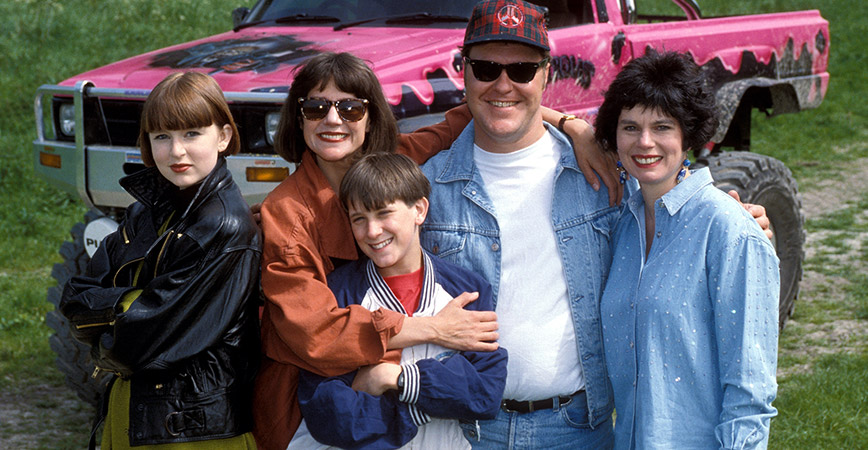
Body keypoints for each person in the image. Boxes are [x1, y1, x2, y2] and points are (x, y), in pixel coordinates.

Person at [420, 1, 774, 448]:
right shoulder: (426, 186)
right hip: (466, 430)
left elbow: (670, 194)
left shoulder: (601, 178)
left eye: (523, 71)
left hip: (577, 431)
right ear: (464, 70)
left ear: (547, 73)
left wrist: (740, 227)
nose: (503, 84)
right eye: (486, 68)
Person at [251, 51, 615, 449]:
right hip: (318, 409)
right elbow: (315, 334)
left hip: (417, 413)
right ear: (298, 115)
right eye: (317, 107)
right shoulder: (287, 214)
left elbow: (481, 109)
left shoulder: (395, 165)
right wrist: (434, 329)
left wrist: (572, 125)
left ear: (371, 116)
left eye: (351, 108)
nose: (333, 120)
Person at [59, 72, 262, 449]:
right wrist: (124, 311)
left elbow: (137, 338)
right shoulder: (144, 212)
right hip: (133, 409)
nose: (176, 151)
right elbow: (75, 295)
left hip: (195, 429)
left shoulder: (225, 227)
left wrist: (109, 323)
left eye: (192, 134)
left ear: (223, 136)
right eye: (162, 137)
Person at [595, 50, 779, 449]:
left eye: (662, 127)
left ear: (688, 134)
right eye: (630, 127)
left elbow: (750, 391)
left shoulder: (729, 231)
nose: (645, 142)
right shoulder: (621, 225)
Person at [290, 153, 508, 449]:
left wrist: (392, 377)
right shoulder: (335, 294)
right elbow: (328, 414)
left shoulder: (466, 290)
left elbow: (484, 394)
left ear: (419, 209)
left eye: (383, 213)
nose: (372, 231)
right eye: (359, 219)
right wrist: (430, 399)